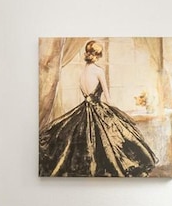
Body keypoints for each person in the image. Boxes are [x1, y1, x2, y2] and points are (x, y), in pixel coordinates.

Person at [39, 40, 158, 177]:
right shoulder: (98, 71)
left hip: (83, 110)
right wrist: (115, 111)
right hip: (98, 109)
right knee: (116, 137)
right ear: (97, 55)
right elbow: (107, 97)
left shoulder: (82, 73)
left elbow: (86, 95)